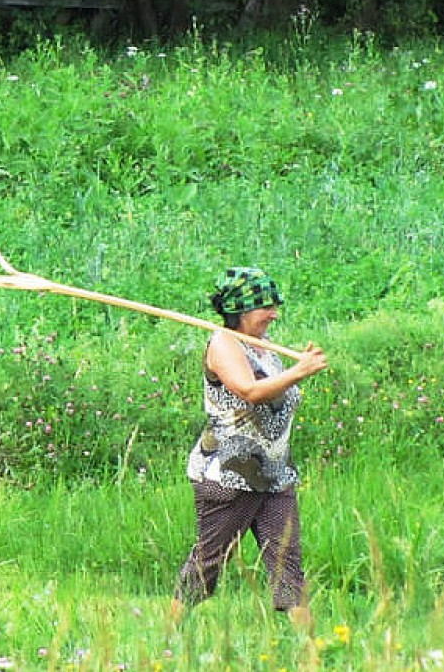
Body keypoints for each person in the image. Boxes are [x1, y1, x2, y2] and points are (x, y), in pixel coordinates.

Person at [170, 266, 328, 631]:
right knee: (210, 561)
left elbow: (273, 392)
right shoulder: (223, 343)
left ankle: (313, 647)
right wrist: (299, 372)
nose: (273, 314)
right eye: (265, 308)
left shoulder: (265, 346)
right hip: (230, 475)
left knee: (287, 562)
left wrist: (294, 368)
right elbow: (248, 390)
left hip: (273, 474)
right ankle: (168, 637)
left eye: (274, 306)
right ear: (240, 312)